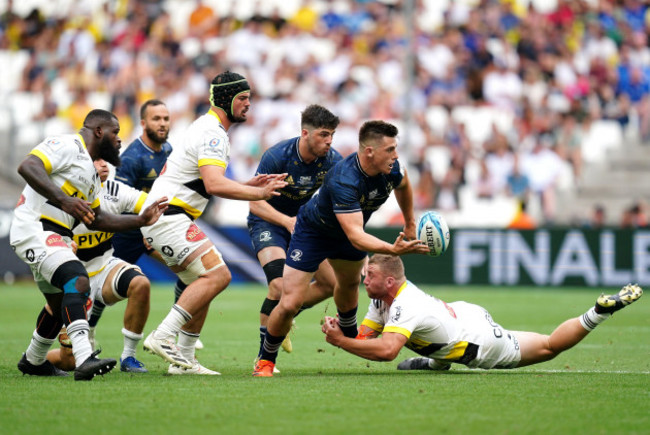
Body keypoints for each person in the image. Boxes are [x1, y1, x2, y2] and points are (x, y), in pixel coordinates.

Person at [254, 120, 431, 377]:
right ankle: (265, 360)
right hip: (313, 233)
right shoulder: (344, 179)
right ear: (369, 151)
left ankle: (349, 334)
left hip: (347, 233)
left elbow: (403, 186)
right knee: (290, 301)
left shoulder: (391, 168)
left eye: (395, 148)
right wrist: (394, 250)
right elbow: (356, 237)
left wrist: (411, 222)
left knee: (348, 284)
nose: (395, 155)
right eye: (390, 149)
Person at [141, 71, 287, 375]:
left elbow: (204, 182)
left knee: (202, 281)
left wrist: (247, 183)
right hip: (170, 216)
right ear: (227, 99)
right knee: (218, 276)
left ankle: (184, 361)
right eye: (243, 98)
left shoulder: (210, 128)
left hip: (167, 214)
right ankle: (163, 335)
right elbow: (214, 185)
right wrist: (258, 191)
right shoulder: (213, 133)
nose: (249, 104)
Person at [10, 109, 168, 381]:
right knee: (77, 279)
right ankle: (84, 358)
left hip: (57, 237)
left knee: (60, 305)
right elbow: (27, 166)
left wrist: (139, 220)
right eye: (115, 133)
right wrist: (64, 200)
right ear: (99, 131)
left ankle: (34, 360)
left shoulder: (93, 177)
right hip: (36, 227)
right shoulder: (68, 145)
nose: (119, 140)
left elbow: (97, 220)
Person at [321, 254, 643, 371]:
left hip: (479, 340)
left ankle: (598, 312)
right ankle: (434, 363)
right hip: (460, 316)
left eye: (370, 276)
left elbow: (387, 351)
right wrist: (342, 330)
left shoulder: (406, 303)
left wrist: (339, 342)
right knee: (434, 343)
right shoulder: (382, 298)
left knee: (548, 347)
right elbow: (364, 337)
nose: (364, 279)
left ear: (389, 281)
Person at [90, 100, 196, 348]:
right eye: (156, 119)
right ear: (143, 123)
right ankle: (89, 330)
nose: (162, 123)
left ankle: (175, 331)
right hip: (128, 234)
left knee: (189, 269)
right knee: (101, 290)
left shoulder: (169, 151)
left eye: (166, 118)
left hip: (155, 231)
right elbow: (120, 200)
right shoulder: (132, 157)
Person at [248, 104, 342, 369]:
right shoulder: (277, 156)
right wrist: (287, 221)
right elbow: (254, 203)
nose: (329, 141)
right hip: (268, 221)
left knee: (330, 284)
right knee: (279, 286)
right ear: (305, 133)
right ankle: (263, 357)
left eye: (332, 134)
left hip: (302, 226)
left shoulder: (332, 160)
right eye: (324, 134)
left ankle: (283, 317)